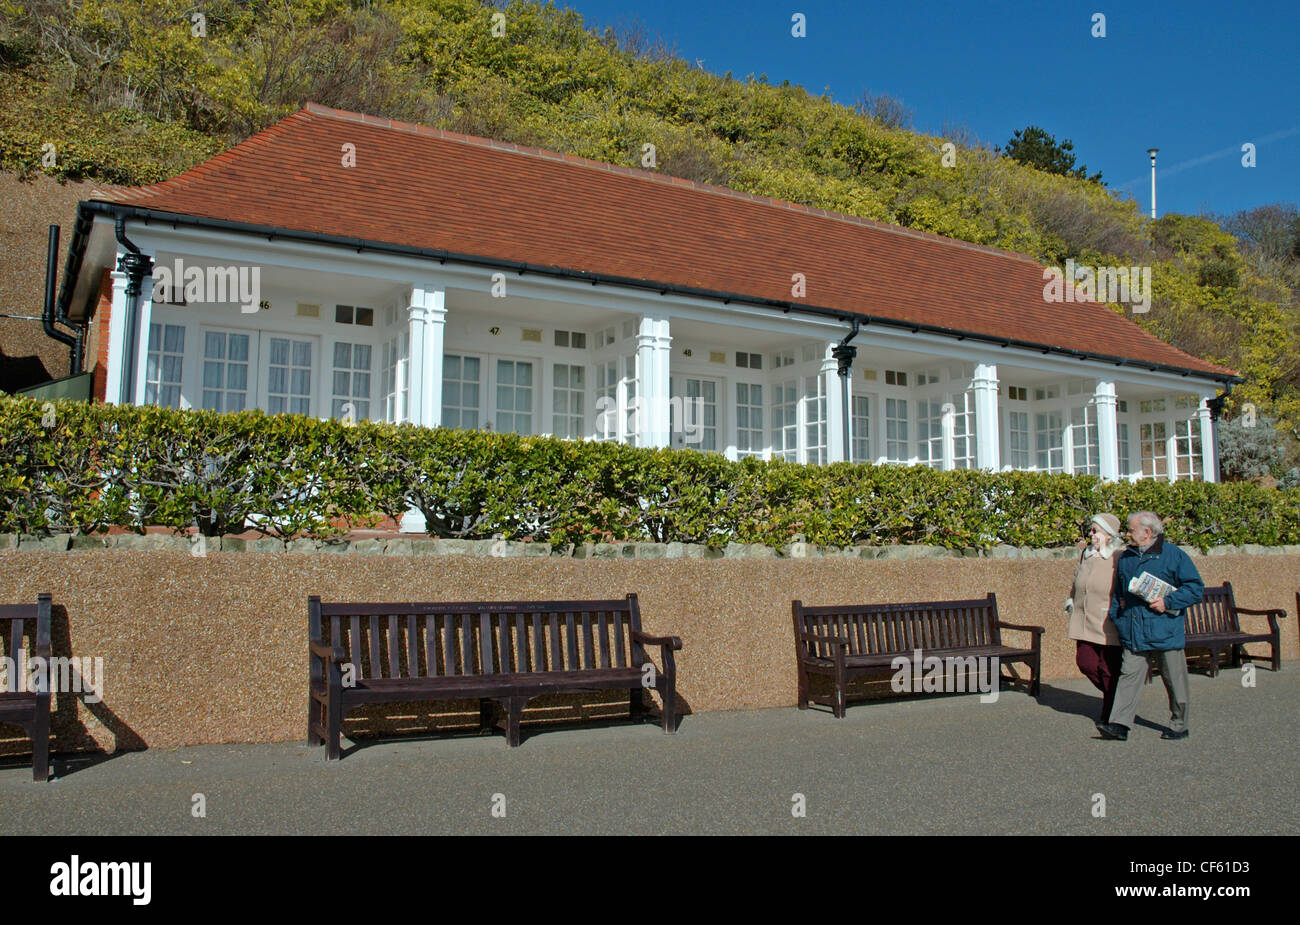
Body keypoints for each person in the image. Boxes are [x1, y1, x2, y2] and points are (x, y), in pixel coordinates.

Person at [1096, 511, 1204, 741]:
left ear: (1147, 532)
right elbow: (1120, 592)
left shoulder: (1174, 556)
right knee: (1128, 678)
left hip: (1165, 630)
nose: (1127, 534)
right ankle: (1119, 725)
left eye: (1131, 530)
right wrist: (1119, 617)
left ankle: (1179, 724)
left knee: (1175, 681)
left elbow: (1195, 589)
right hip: (1134, 632)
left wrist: (1168, 602)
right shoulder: (1126, 557)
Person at [1064, 513, 1124, 722]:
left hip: (1107, 621)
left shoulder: (1119, 557)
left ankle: (1110, 714)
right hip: (1083, 619)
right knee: (1085, 662)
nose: (1091, 534)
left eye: (1095, 531)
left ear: (1109, 535)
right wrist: (1071, 599)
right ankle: (1118, 694)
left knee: (1108, 670)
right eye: (1091, 530)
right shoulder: (1086, 554)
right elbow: (1076, 580)